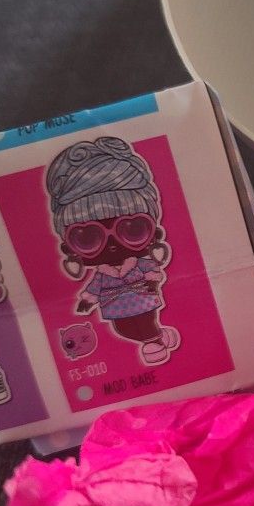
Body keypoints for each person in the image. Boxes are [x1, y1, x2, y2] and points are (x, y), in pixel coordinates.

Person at [46, 136, 180, 365]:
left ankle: (153, 343)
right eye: (88, 237)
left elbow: (151, 270)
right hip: (115, 309)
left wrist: (152, 281)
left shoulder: (139, 263)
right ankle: (160, 337)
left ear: (153, 234)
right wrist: (88, 301)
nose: (112, 244)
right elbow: (94, 288)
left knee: (145, 322)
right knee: (123, 329)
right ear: (70, 248)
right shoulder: (102, 274)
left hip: (142, 301)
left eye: (132, 229)